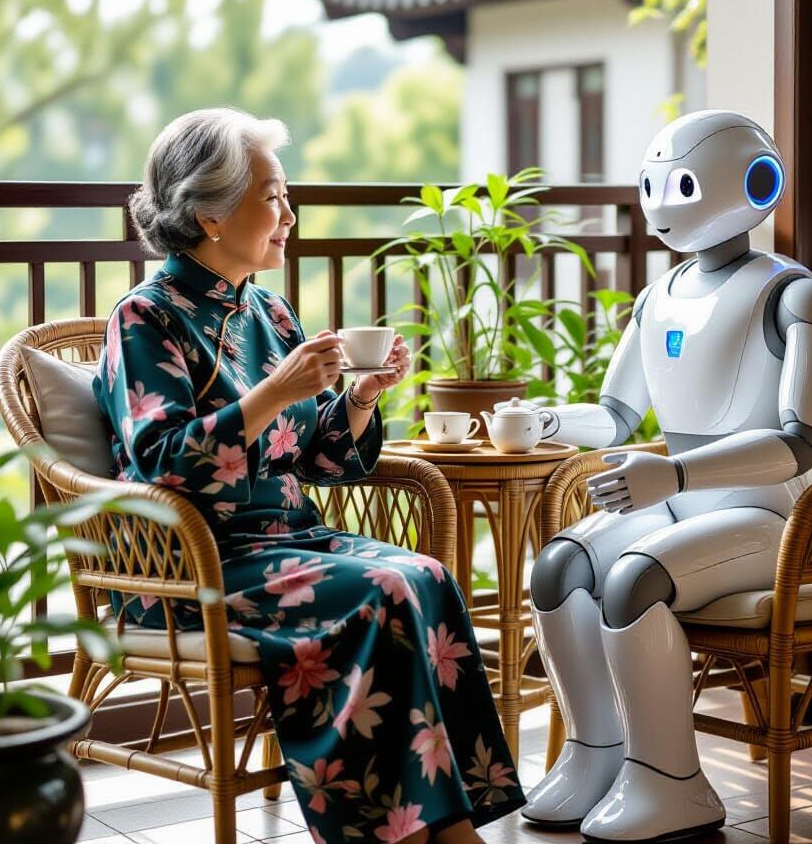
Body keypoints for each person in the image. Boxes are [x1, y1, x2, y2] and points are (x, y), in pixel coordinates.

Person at [93, 108, 524, 844]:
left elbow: (322, 459)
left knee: (425, 575)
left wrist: (358, 398)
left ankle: (443, 826)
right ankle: (406, 834)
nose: (290, 215)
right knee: (381, 590)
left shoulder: (271, 312)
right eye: (274, 196)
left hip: (290, 541)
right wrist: (275, 394)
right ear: (210, 214)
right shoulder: (146, 316)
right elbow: (162, 460)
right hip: (199, 564)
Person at [520, 110, 812, 843]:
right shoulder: (655, 297)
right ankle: (595, 754)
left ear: (759, 182)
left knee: (635, 580)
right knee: (560, 565)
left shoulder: (796, 296)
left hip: (765, 521)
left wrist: (674, 473)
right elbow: (615, 412)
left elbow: (801, 441)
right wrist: (548, 421)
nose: (664, 203)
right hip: (679, 505)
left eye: (684, 184)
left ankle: (671, 782)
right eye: (652, 185)